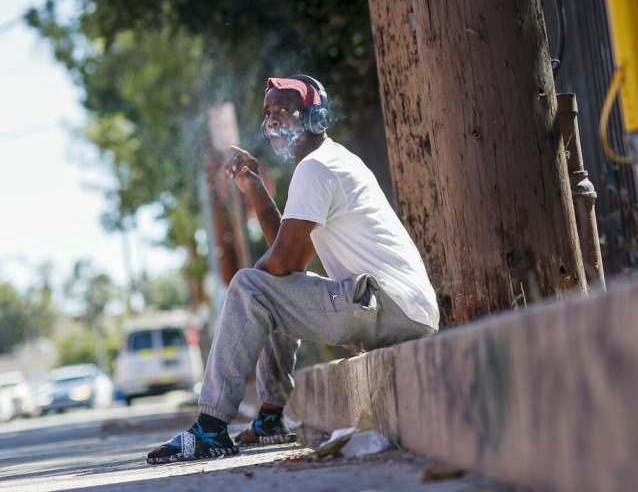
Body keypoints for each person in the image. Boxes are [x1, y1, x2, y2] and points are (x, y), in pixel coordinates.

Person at [146, 75, 439, 464]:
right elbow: (291, 265)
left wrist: (251, 286)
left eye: (283, 110)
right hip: (396, 309)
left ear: (316, 118)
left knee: (251, 286)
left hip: (388, 306)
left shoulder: (317, 167)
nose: (272, 122)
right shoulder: (324, 163)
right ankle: (269, 419)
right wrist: (256, 191)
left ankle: (211, 426)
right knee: (269, 289)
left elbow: (282, 263)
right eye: (267, 113)